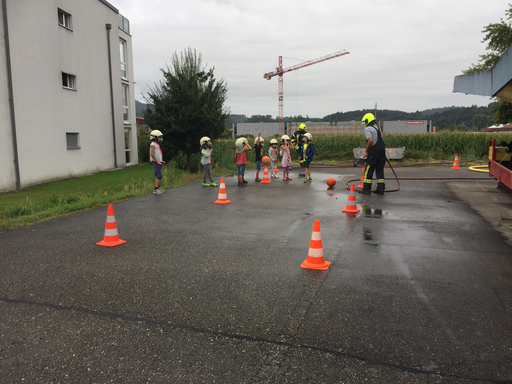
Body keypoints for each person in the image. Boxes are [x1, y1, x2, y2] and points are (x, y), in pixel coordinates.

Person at [359, 113, 386, 195]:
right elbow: (382, 139)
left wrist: (367, 151)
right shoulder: (378, 128)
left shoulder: (368, 129)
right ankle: (380, 189)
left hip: (374, 151)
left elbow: (370, 140)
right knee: (379, 170)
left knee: (369, 169)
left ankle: (366, 189)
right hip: (382, 150)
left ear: (368, 120)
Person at [149, 130, 166, 195]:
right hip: (156, 162)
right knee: (159, 175)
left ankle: (158, 188)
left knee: (157, 174)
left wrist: (161, 160)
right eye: (159, 137)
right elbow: (152, 154)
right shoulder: (153, 144)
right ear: (155, 137)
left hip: (159, 161)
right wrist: (157, 161)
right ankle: (156, 189)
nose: (160, 138)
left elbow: (158, 153)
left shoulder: (156, 144)